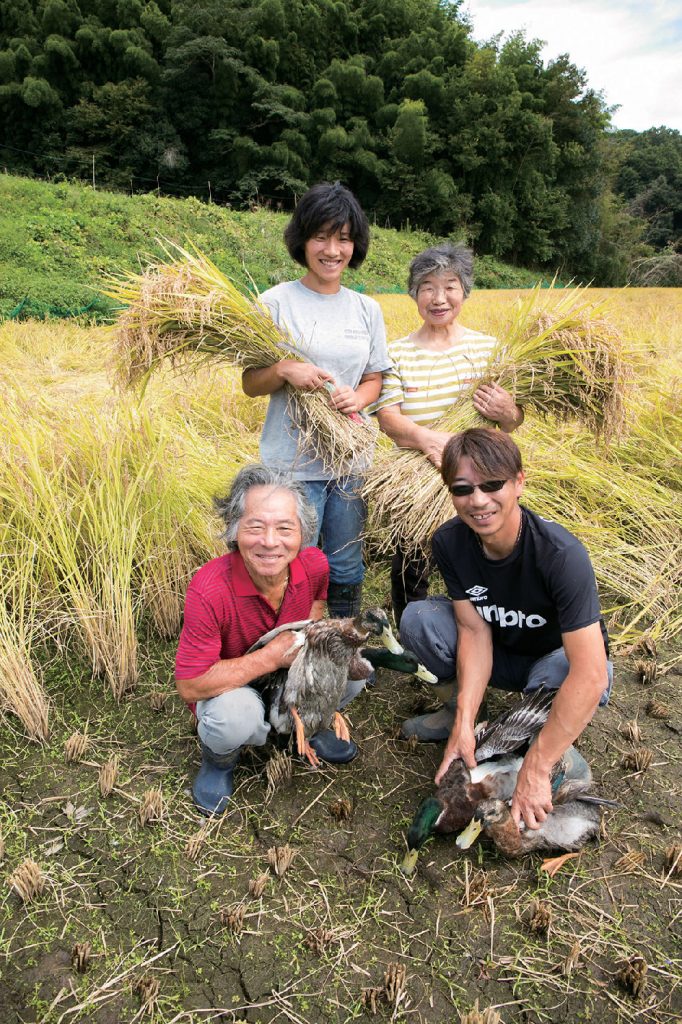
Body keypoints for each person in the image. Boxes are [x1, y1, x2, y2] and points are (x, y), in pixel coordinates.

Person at [399, 428, 613, 830]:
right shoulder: (450, 542)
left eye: (492, 485)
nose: (478, 501)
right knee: (419, 620)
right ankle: (460, 721)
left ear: (518, 482)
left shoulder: (560, 556)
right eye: (463, 489)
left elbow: (591, 672)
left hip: (550, 665)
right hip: (500, 651)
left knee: (573, 670)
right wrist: (465, 720)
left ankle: (549, 748)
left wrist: (537, 766)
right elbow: (473, 630)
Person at [175, 464, 363, 816]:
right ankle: (219, 760)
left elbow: (316, 606)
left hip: (286, 681)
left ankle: (308, 724)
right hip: (234, 689)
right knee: (235, 716)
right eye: (255, 527)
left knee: (352, 670)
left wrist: (313, 653)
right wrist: (271, 658)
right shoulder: (209, 588)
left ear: (303, 532)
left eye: (284, 528)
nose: (270, 542)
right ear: (235, 530)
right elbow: (190, 685)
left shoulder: (315, 564)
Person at [242, 182, 390, 619]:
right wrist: (285, 370)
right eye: (321, 236)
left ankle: (341, 647)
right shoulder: (275, 303)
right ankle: (291, 647)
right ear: (302, 240)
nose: (332, 249)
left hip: (349, 461)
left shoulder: (367, 309)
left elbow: (375, 378)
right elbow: (251, 382)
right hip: (292, 464)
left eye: (343, 238)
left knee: (345, 561)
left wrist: (355, 397)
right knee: (296, 560)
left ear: (355, 245)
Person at [373, 242, 523, 627]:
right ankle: (413, 631)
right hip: (420, 476)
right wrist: (428, 440)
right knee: (413, 558)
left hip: (483, 477)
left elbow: (513, 421)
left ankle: (494, 627)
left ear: (465, 291)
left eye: (450, 286)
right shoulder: (395, 353)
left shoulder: (490, 350)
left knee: (486, 554)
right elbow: (388, 418)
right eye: (427, 287)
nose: (439, 298)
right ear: (413, 294)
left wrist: (509, 413)